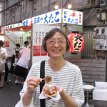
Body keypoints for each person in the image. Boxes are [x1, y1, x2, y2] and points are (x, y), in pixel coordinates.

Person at [16, 28, 84, 107]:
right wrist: (29, 91)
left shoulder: (75, 71)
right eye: (51, 41)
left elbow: (77, 105)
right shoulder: (36, 68)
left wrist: (63, 94)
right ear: (45, 45)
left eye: (61, 41)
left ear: (67, 45)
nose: (56, 45)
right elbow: (24, 103)